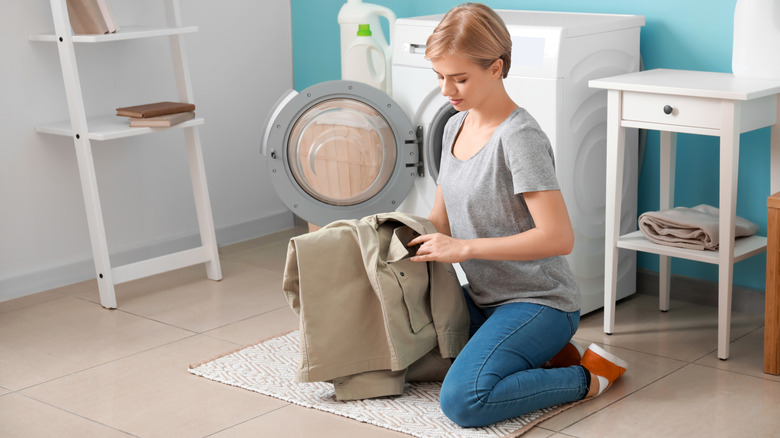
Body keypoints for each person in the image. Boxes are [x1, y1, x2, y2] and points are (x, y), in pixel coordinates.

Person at [407, 3, 628, 428]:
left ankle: (590, 375)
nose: (446, 90)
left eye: (460, 78)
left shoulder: (519, 137)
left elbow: (558, 238)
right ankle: (541, 357)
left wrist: (465, 248)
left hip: (538, 301)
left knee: (465, 401)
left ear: (496, 68)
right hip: (482, 298)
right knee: (398, 350)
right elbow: (441, 219)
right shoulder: (454, 127)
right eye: (439, 77)